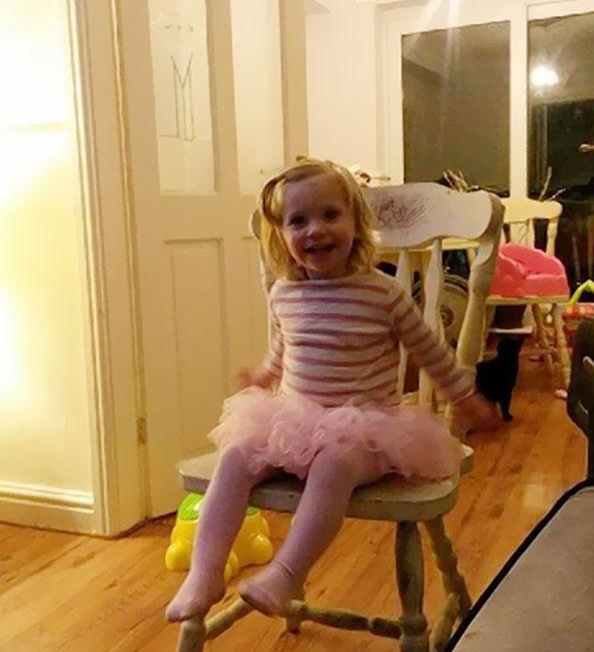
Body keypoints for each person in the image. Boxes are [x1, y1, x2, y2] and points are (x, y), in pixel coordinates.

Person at [166, 158, 496, 622]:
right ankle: (204, 573)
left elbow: (431, 352)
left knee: (333, 465)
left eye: (329, 215)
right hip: (294, 420)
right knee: (235, 455)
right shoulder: (284, 293)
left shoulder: (383, 294)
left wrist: (466, 397)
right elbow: (285, 349)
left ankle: (286, 573)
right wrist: (262, 376)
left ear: (356, 223)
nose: (315, 230)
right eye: (298, 221)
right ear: (281, 234)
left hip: (367, 430)